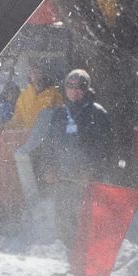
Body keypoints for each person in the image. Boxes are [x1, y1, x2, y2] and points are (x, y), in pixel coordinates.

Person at [44, 69, 113, 249]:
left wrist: (91, 171)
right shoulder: (59, 113)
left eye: (80, 86)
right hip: (63, 178)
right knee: (63, 220)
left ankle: (86, 259)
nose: (75, 90)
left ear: (87, 89)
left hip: (86, 180)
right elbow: (50, 144)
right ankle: (72, 257)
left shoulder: (97, 113)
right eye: (70, 86)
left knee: (84, 220)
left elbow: (103, 148)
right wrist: (49, 167)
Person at [11, 61, 60, 132]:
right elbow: (17, 120)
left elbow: (59, 119)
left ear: (44, 75)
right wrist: (6, 127)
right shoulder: (23, 96)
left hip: (46, 135)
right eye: (34, 72)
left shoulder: (54, 94)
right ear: (30, 75)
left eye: (39, 73)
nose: (36, 76)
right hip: (28, 139)